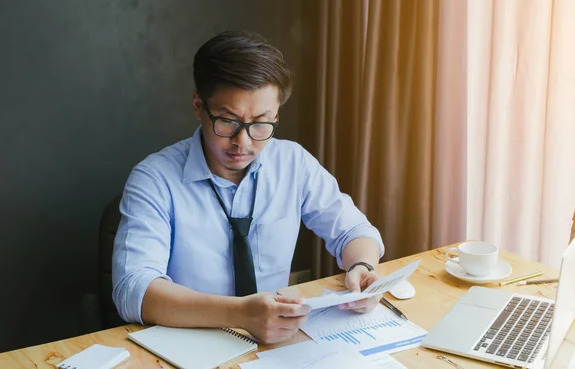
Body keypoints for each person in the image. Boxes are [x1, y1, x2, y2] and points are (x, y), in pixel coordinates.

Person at [112, 30, 385, 344]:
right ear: (198, 105)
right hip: (187, 346)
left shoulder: (292, 163)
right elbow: (133, 289)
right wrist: (241, 314)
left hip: (276, 345)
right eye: (227, 121)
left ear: (276, 115)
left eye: (260, 123)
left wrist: (362, 267)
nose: (242, 142)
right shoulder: (154, 179)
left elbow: (354, 230)